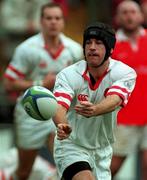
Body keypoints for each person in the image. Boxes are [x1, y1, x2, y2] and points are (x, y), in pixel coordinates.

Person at [3, 2, 83, 180]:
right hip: (30, 114)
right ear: (41, 21)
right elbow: (9, 83)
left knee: (65, 164)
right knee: (24, 172)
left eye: (57, 18)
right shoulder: (26, 49)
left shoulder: (74, 50)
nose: (53, 22)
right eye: (49, 18)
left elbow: (82, 82)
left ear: (63, 21)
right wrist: (40, 83)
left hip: (60, 112)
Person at [52, 21, 137, 180]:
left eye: (98, 43)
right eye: (88, 43)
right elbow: (58, 105)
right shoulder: (68, 74)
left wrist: (95, 110)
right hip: (72, 145)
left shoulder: (125, 73)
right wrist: (62, 124)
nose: (92, 47)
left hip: (103, 151)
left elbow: (115, 99)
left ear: (111, 49)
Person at [110, 1, 147, 179]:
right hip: (123, 117)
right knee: (111, 168)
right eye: (124, 12)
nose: (129, 16)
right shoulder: (110, 45)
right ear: (117, 18)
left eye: (133, 11)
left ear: (141, 15)